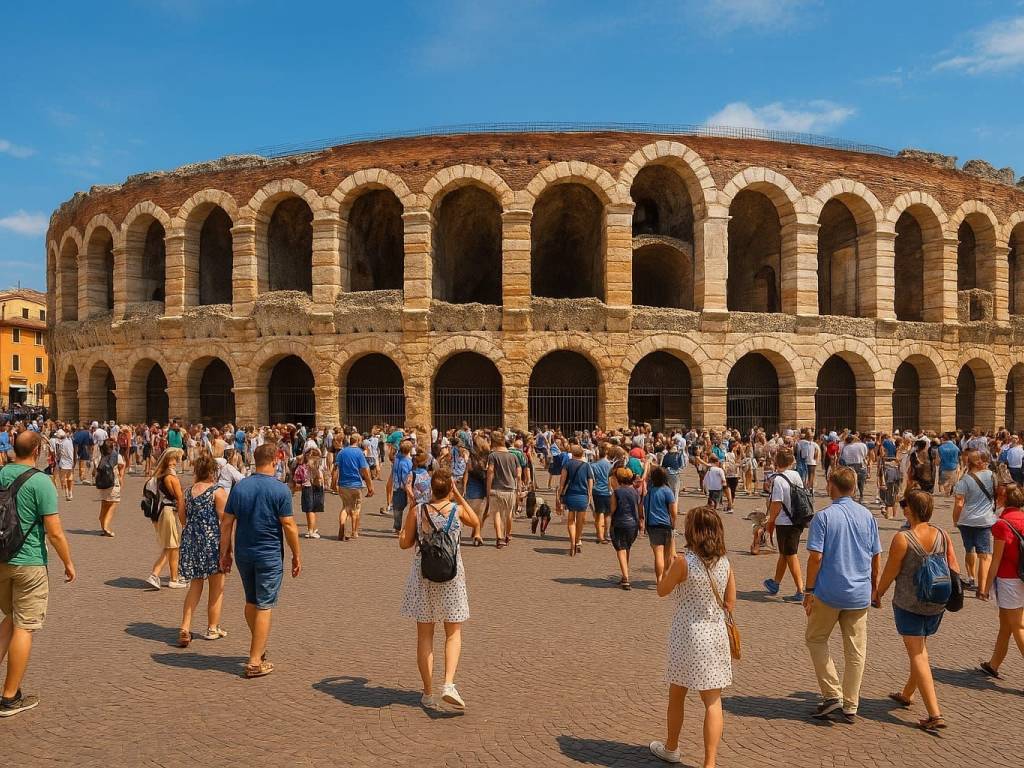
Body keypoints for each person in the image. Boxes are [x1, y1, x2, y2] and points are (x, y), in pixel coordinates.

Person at [651, 506, 735, 767]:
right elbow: (730, 602)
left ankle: (672, 747)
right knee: (712, 701)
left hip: (687, 633)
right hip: (716, 633)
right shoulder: (725, 562)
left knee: (677, 694)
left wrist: (668, 565)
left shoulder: (685, 563)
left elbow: (662, 590)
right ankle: (709, 763)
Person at [0, 431, 76, 717]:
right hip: (28, 561)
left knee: (10, 618)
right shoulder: (41, 482)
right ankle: (9, 697)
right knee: (24, 625)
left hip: (1, 559)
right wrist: (68, 562)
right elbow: (54, 532)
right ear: (37, 450)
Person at [872, 490, 959, 731]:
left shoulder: (903, 538)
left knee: (918, 654)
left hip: (909, 604)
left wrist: (877, 593)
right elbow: (954, 568)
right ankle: (907, 693)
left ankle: (935, 714)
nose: (902, 508)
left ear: (911, 509)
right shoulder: (942, 534)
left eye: (904, 504)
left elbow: (890, 572)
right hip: (936, 602)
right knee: (919, 648)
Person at [803, 467, 882, 721]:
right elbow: (875, 554)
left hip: (829, 592)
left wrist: (809, 590)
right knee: (856, 650)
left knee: (816, 638)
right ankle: (851, 704)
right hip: (859, 593)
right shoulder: (867, 516)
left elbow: (815, 557)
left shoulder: (823, 517)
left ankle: (832, 694)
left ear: (831, 486)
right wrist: (875, 586)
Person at [399, 469, 480, 711]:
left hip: (424, 577)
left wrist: (406, 525)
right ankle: (449, 684)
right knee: (453, 632)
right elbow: (476, 522)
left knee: (425, 635)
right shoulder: (457, 511)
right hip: (452, 576)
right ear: (450, 488)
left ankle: (427, 692)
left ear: (431, 488)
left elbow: (405, 543)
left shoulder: (418, 511)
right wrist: (459, 495)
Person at [219, 442, 302, 678]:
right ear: (275, 460)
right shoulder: (280, 489)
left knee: (251, 602)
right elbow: (288, 525)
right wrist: (296, 554)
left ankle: (259, 645)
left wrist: (224, 552)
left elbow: (226, 522)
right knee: (264, 605)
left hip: (244, 552)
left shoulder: (241, 487)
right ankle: (255, 661)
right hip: (269, 554)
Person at [177, 453, 228, 647]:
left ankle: (185, 626)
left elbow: (182, 517)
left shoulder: (187, 492)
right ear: (213, 471)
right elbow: (225, 521)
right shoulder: (217, 491)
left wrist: (192, 532)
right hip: (212, 541)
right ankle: (212, 627)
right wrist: (227, 548)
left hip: (192, 540)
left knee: (195, 585)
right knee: (217, 586)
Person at [978, 483, 1024, 680]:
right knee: (1006, 624)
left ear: (1003, 500)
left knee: (1017, 626)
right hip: (1021, 577)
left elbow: (995, 560)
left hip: (1009, 579)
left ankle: (994, 663)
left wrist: (985, 588)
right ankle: (994, 663)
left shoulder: (1002, 524)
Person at [763, 449, 806, 601]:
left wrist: (771, 521)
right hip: (798, 518)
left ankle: (801, 590)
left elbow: (776, 504)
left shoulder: (778, 481)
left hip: (785, 522)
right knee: (785, 552)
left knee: (790, 554)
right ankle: (775, 582)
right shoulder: (795, 475)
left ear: (776, 462)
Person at [952, 449, 998, 591]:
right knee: (984, 555)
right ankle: (983, 588)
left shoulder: (964, 480)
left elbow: (959, 503)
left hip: (966, 520)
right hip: (985, 520)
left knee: (969, 549)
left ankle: (971, 578)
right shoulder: (992, 476)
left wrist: (955, 519)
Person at [146, 448, 187, 591]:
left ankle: (172, 576)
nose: (177, 462)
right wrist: (184, 519)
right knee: (172, 545)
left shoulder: (159, 476)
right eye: (175, 459)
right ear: (170, 461)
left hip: (160, 513)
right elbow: (180, 498)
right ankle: (159, 575)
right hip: (169, 512)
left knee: (172, 546)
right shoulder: (171, 478)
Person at [333, 433, 374, 541]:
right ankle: (354, 532)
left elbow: (336, 469)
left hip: (343, 484)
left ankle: (342, 524)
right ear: (359, 441)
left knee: (345, 507)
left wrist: (333, 483)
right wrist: (370, 487)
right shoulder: (359, 453)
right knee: (356, 508)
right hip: (356, 484)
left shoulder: (341, 452)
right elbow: (365, 471)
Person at [485, 431, 520, 549]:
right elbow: (517, 474)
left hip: (496, 488)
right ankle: (508, 535)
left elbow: (490, 472)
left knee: (497, 513)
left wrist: (488, 488)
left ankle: (499, 538)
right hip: (510, 488)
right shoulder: (513, 456)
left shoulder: (492, 456)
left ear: (493, 442)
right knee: (509, 513)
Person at [559, 444, 594, 557]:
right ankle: (578, 540)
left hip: (570, 494)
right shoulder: (586, 465)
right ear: (582, 454)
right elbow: (590, 480)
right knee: (580, 520)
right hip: (583, 495)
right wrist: (589, 494)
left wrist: (559, 493)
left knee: (570, 520)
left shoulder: (567, 464)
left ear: (572, 454)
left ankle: (572, 542)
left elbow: (562, 481)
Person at [609, 467, 641, 589]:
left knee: (621, 549)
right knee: (627, 548)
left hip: (620, 523)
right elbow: (637, 508)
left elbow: (612, 509)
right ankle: (624, 574)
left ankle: (626, 578)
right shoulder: (634, 491)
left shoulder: (616, 492)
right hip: (633, 524)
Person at [646, 466, 678, 582]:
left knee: (658, 554)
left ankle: (659, 578)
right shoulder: (667, 491)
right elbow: (673, 511)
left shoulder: (649, 492)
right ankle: (665, 575)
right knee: (667, 554)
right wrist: (674, 523)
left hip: (653, 525)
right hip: (666, 524)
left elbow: (644, 507)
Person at [293, 447, 325, 539]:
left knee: (309, 509)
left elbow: (297, 459)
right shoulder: (318, 466)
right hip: (316, 487)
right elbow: (322, 478)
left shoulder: (303, 465)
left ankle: (312, 528)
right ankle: (311, 530)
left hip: (307, 487)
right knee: (312, 509)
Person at [95, 440, 125, 537]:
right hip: (113, 484)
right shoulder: (116, 456)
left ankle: (103, 525)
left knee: (104, 505)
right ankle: (106, 527)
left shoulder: (99, 457)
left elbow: (94, 470)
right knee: (113, 504)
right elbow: (122, 465)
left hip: (102, 484)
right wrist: (121, 476)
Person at [591, 444, 612, 545]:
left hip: (597, 491)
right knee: (608, 514)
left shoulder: (593, 465)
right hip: (608, 492)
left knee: (599, 514)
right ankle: (606, 533)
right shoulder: (610, 465)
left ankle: (599, 535)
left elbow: (592, 479)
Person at [53, 429, 74, 502]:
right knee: (70, 478)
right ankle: (70, 493)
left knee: (63, 479)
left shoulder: (60, 444)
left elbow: (58, 454)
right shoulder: (70, 441)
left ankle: (67, 493)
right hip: (70, 462)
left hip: (63, 462)